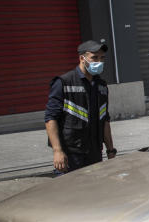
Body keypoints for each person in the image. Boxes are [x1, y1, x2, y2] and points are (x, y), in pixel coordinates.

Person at [45, 40, 116, 174]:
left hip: (95, 153)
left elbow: (105, 120)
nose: (99, 62)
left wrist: (110, 150)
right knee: (71, 193)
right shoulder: (64, 83)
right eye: (94, 57)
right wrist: (57, 151)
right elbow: (50, 119)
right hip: (72, 154)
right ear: (82, 58)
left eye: (102, 58)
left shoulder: (101, 86)